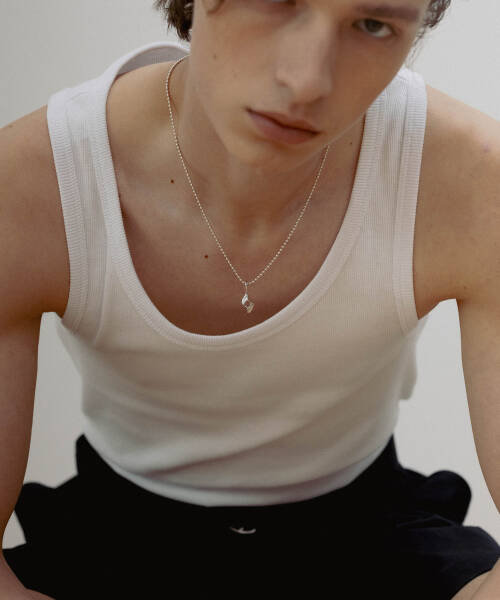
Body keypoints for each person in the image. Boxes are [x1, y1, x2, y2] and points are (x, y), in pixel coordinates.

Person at [1, 0, 499, 598]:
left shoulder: (472, 177)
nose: (308, 81)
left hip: (369, 523)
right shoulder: (35, 180)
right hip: (114, 530)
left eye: (372, 25)